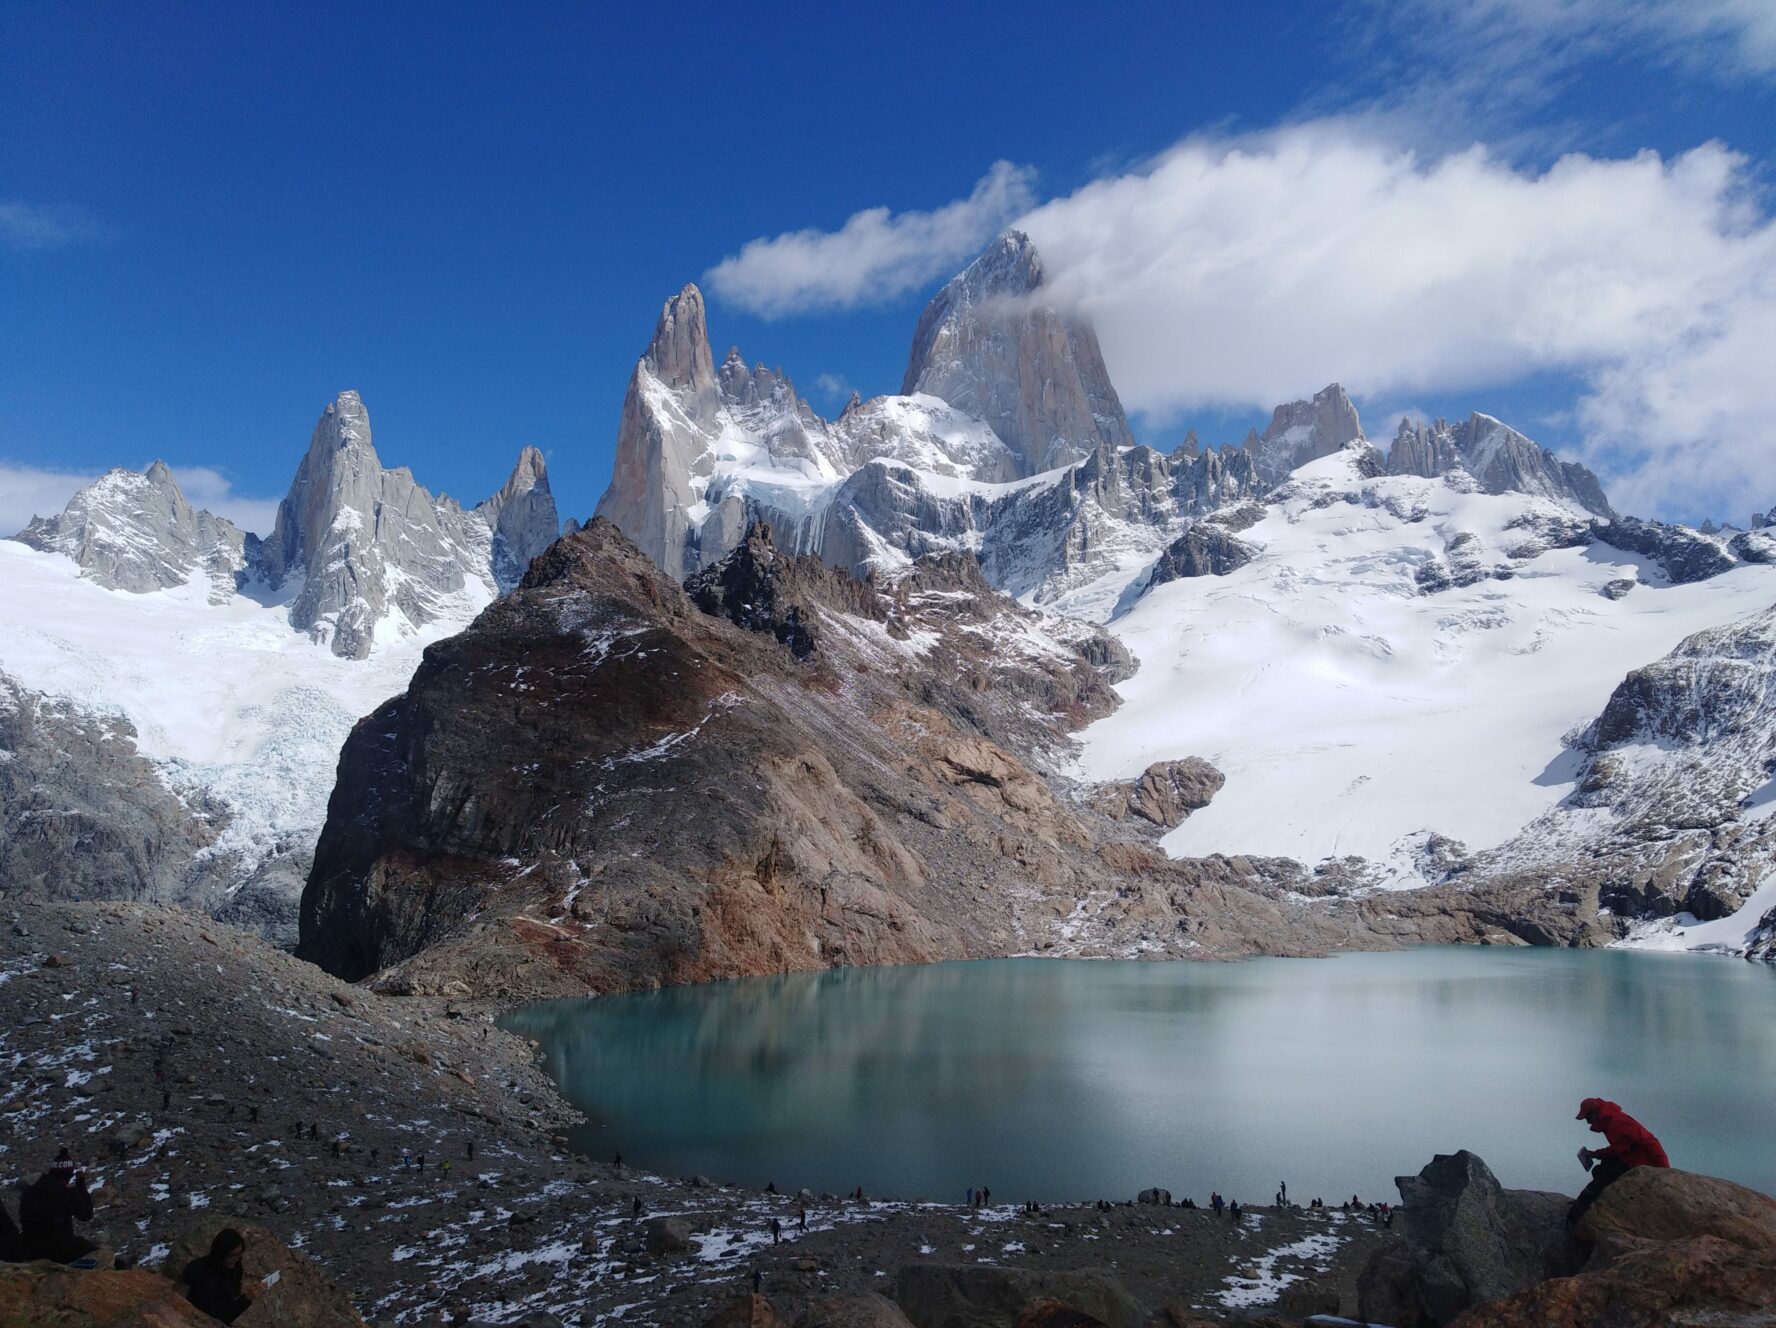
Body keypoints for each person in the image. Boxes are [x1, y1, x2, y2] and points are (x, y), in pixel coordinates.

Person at [1567, 1097, 1669, 1228]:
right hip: (1630, 1159)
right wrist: (1596, 1154)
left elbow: (1651, 1142)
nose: (1587, 1122)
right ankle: (1595, 1206)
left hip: (1639, 1165)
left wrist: (1664, 1171)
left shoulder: (1618, 1122)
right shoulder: (1609, 1122)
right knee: (1599, 1171)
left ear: (1595, 1113)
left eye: (1587, 1118)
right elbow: (1620, 1147)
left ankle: (1577, 1217)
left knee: (1600, 1182)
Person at [19, 1149, 97, 1264]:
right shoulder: (66, 1194)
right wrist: (81, 1185)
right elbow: (86, 1214)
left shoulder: (30, 1191)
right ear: (69, 1174)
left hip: (31, 1249)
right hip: (60, 1252)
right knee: (90, 1250)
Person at [180, 1228, 260, 1324]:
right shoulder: (208, 1280)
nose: (237, 1259)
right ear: (221, 1254)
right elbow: (220, 1316)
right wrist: (246, 1299)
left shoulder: (234, 1266)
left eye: (239, 1254)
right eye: (232, 1255)